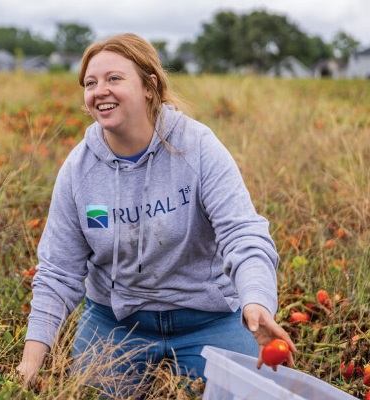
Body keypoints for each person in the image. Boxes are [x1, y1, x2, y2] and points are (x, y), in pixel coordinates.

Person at [16, 33, 297, 397]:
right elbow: (58, 271)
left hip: (209, 317)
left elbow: (243, 234)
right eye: (90, 82)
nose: (99, 90)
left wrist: (256, 302)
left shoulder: (196, 147)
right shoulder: (79, 169)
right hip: (117, 322)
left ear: (150, 86)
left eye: (114, 78)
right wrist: (30, 361)